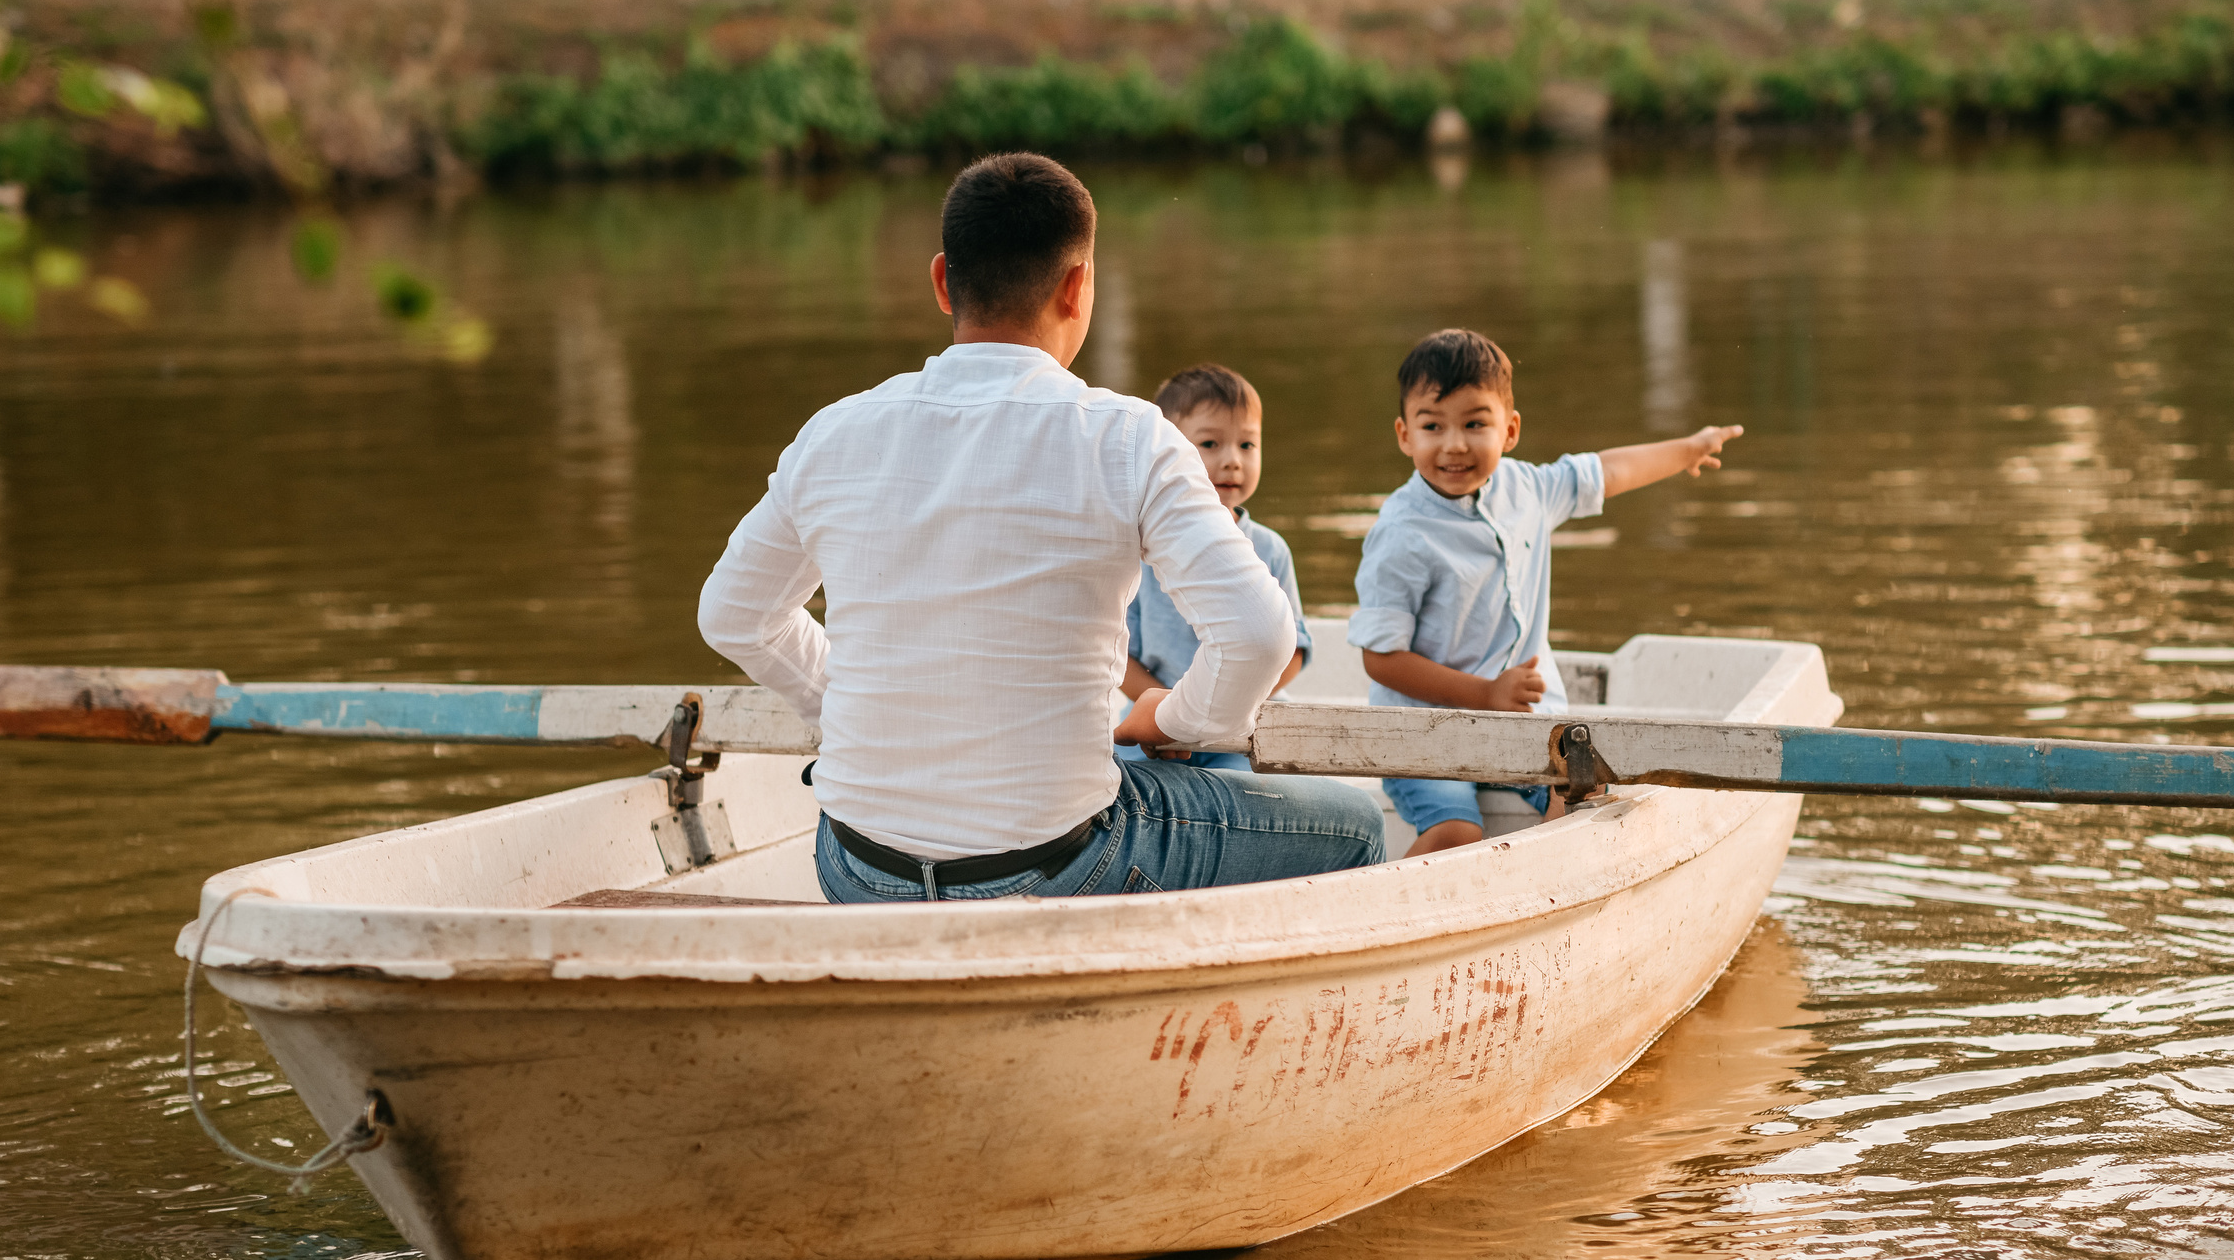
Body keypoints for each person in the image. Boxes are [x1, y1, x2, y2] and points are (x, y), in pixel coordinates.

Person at [698, 152, 1385, 904]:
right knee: (1353, 826)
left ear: (941, 281)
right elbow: (1260, 635)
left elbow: (733, 613)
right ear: (1077, 286)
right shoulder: (1128, 438)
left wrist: (842, 704)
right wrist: (1174, 716)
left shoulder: (835, 432)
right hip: (1056, 864)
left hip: (860, 866)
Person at [1352, 328, 1743, 858]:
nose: (1454, 444)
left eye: (1474, 423)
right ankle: (1393, 927)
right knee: (1457, 833)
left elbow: (1607, 472)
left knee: (1585, 794)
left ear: (1509, 430)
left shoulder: (1528, 490)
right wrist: (1486, 695)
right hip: (1427, 731)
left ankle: (1543, 903)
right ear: (1405, 435)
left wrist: (1687, 450)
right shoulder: (1401, 532)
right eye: (1432, 426)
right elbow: (1381, 659)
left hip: (1526, 726)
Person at [1117, 363, 1306, 773]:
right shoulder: (1142, 551)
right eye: (1210, 443)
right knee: (1117, 782)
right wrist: (1166, 713)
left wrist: (1225, 702)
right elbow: (1118, 654)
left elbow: (1293, 651)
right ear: (1169, 453)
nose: (1232, 461)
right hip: (1154, 717)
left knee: (1250, 787)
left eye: (1247, 445)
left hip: (1242, 724)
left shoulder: (1269, 549)